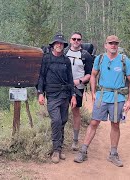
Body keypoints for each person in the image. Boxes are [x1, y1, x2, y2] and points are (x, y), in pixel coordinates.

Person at [74, 35, 130, 167]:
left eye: (115, 43)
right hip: (102, 95)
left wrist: (129, 100)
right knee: (94, 122)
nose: (113, 45)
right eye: (111, 43)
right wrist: (93, 92)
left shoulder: (124, 60)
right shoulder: (100, 59)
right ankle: (83, 151)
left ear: (117, 45)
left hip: (118, 97)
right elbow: (93, 75)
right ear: (105, 45)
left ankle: (113, 154)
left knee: (115, 124)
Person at [37, 33, 77, 164]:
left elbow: (70, 79)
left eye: (61, 43)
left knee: (63, 121)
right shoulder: (46, 59)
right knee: (56, 120)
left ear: (63, 46)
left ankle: (59, 149)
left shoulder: (66, 60)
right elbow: (41, 77)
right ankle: (55, 150)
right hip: (52, 95)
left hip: (65, 95)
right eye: (57, 43)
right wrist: (40, 93)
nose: (59, 45)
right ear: (53, 45)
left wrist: (73, 95)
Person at [65, 32, 93, 151]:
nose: (76, 41)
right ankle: (59, 138)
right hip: (64, 87)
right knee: (61, 111)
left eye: (78, 39)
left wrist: (79, 81)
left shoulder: (86, 55)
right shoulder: (64, 53)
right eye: (74, 39)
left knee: (76, 112)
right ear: (70, 40)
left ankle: (75, 140)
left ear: (81, 41)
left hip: (78, 88)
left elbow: (89, 74)